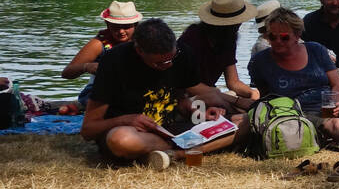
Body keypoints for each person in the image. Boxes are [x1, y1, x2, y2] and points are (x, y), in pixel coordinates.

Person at [80, 18, 246, 168]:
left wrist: (198, 112)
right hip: (136, 134)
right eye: (159, 63)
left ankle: (177, 154)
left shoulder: (183, 54)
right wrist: (126, 119)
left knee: (245, 121)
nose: (168, 65)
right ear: (139, 51)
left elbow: (180, 100)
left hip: (171, 129)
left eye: (171, 59)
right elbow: (88, 130)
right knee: (121, 140)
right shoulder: (113, 62)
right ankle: (191, 148)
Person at [248, 8, 339, 151]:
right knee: (335, 124)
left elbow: (337, 83)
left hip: (327, 102)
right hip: (299, 111)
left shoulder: (315, 50)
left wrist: (336, 101)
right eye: (272, 37)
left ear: (297, 35)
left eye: (284, 37)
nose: (278, 41)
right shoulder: (260, 62)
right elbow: (266, 96)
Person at [178, 0, 260, 112]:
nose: (239, 25)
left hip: (213, 93)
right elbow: (189, 86)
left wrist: (251, 93)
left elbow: (233, 82)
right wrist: (238, 101)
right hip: (186, 99)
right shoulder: (192, 39)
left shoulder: (229, 39)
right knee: (223, 103)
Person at [62, 1, 142, 109]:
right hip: (99, 95)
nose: (121, 31)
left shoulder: (144, 42)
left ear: (135, 25)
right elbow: (67, 73)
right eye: (116, 27)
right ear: (107, 24)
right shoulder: (98, 44)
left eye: (126, 27)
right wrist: (86, 67)